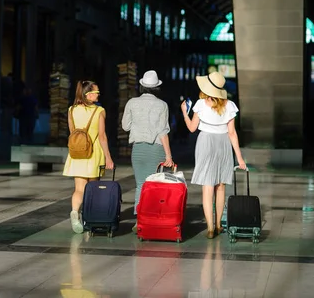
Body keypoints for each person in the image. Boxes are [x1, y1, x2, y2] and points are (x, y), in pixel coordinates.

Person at [181, 71, 247, 239]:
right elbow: (232, 133)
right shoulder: (229, 105)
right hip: (223, 144)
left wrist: (184, 112)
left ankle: (210, 227)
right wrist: (239, 158)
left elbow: (191, 128)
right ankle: (218, 225)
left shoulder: (200, 104)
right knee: (221, 186)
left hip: (205, 143)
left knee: (207, 187)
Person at [121, 70, 174, 231]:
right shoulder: (162, 105)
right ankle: (152, 218)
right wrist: (169, 155)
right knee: (154, 186)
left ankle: (139, 221)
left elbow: (125, 126)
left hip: (138, 149)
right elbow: (163, 131)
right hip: (156, 149)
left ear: (142, 86)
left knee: (140, 185)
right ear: (156, 88)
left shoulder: (131, 103)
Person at [62, 80, 114, 234]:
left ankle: (74, 212)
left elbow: (73, 133)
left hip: (77, 153)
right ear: (88, 94)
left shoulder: (71, 110)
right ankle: (89, 217)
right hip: (93, 153)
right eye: (96, 92)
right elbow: (102, 136)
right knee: (92, 189)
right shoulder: (99, 111)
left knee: (79, 189)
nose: (99, 94)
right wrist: (108, 158)